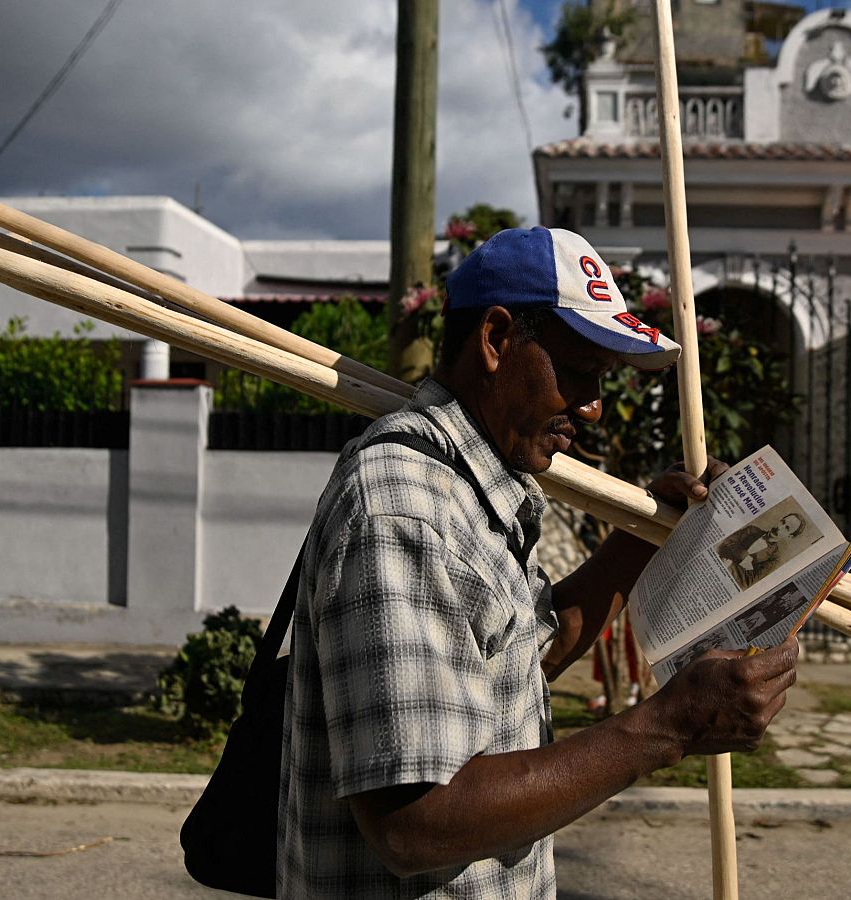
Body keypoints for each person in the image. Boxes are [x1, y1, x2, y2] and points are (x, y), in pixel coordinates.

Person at [278, 226, 799, 898]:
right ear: (497, 341)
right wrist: (669, 725)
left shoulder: (473, 487)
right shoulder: (405, 508)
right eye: (581, 372)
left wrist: (640, 542)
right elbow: (416, 825)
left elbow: (522, 662)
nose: (594, 406)